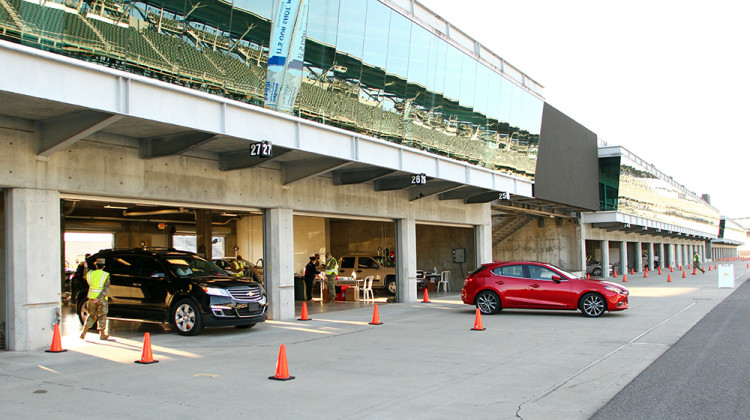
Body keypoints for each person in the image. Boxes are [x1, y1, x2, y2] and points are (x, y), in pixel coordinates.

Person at [80, 258, 111, 340]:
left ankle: (83, 333)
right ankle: (102, 334)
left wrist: (85, 267)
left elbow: (84, 275)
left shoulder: (90, 274)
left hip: (91, 298)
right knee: (102, 315)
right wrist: (99, 297)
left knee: (91, 315)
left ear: (96, 265)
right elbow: (106, 289)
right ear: (104, 266)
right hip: (101, 299)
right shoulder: (105, 275)